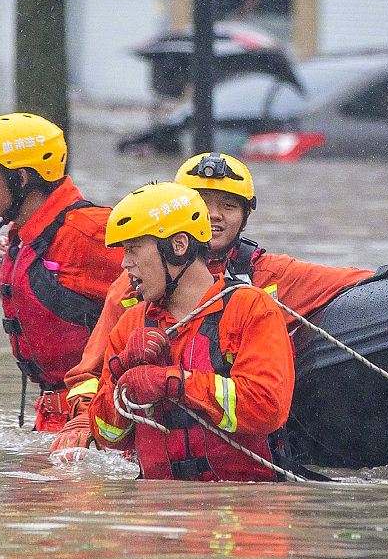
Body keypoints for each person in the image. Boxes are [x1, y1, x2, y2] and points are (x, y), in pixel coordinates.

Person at [50, 152, 372, 459]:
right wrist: (115, 382)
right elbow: (98, 401)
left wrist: (173, 382)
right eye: (202, 202)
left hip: (239, 486)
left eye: (228, 205)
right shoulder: (132, 303)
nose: (213, 214)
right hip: (155, 485)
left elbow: (267, 406)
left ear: (245, 218)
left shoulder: (260, 295)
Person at [89, 182, 295, 481]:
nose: (125, 263)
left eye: (133, 249)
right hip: (158, 511)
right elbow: (109, 436)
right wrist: (122, 374)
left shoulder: (251, 308)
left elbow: (267, 408)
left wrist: (173, 383)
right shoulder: (130, 323)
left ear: (179, 245)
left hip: (246, 505)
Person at [0, 112, 123, 432]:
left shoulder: (91, 232)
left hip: (100, 419)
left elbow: (181, 284)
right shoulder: (24, 237)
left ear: (21, 178)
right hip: (52, 416)